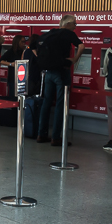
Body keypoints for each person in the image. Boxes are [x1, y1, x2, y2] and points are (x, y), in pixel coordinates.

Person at [36, 15, 84, 147]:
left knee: (46, 102)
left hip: (48, 73)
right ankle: (56, 138)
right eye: (74, 23)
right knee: (60, 104)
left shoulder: (50, 33)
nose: (75, 26)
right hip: (61, 72)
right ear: (67, 24)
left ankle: (41, 134)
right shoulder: (68, 33)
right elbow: (81, 46)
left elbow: (35, 48)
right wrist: (74, 59)